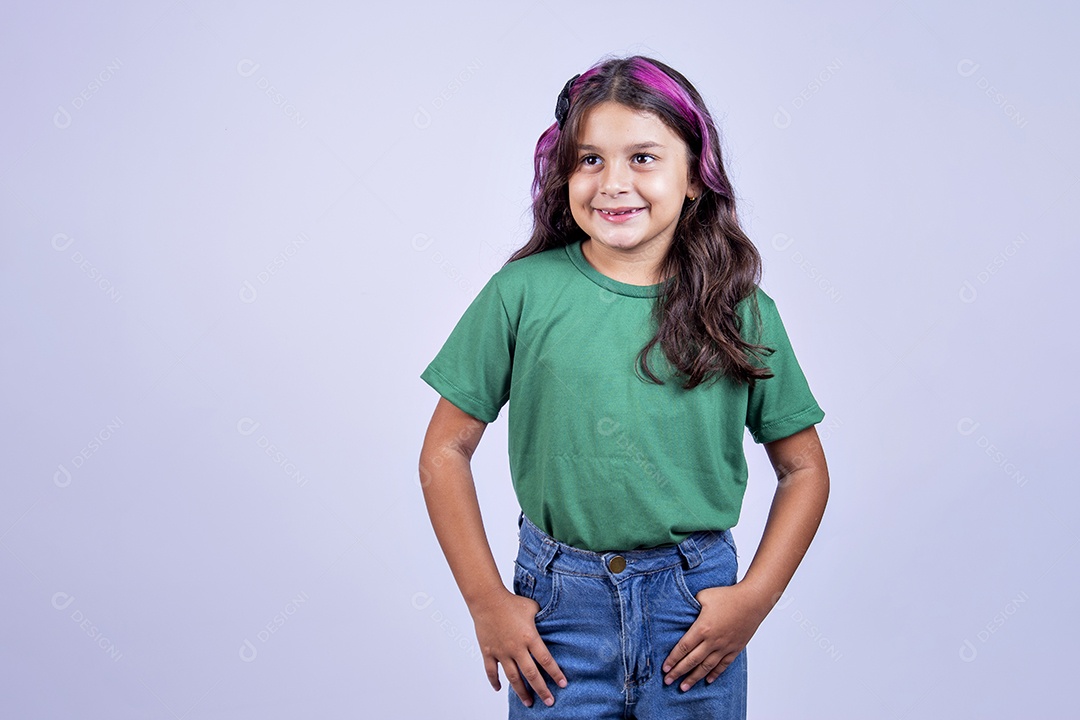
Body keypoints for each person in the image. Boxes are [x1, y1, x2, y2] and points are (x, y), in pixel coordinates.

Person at [418, 54, 830, 719]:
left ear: (695, 176)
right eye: (590, 160)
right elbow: (442, 451)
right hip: (557, 619)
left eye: (643, 158)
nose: (614, 183)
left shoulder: (743, 311)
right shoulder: (521, 294)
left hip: (692, 619)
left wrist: (756, 598)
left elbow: (805, 468)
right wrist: (485, 601)